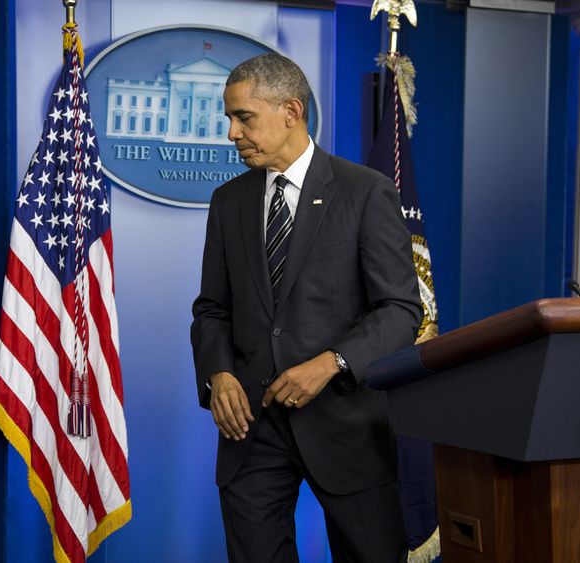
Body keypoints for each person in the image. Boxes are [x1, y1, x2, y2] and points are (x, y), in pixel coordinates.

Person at [190, 53, 423, 563]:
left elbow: (402, 310)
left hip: (346, 424)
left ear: (291, 111)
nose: (231, 132)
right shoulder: (227, 201)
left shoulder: (366, 192)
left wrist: (331, 363)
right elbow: (211, 309)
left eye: (243, 117)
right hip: (250, 428)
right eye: (229, 118)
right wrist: (219, 375)